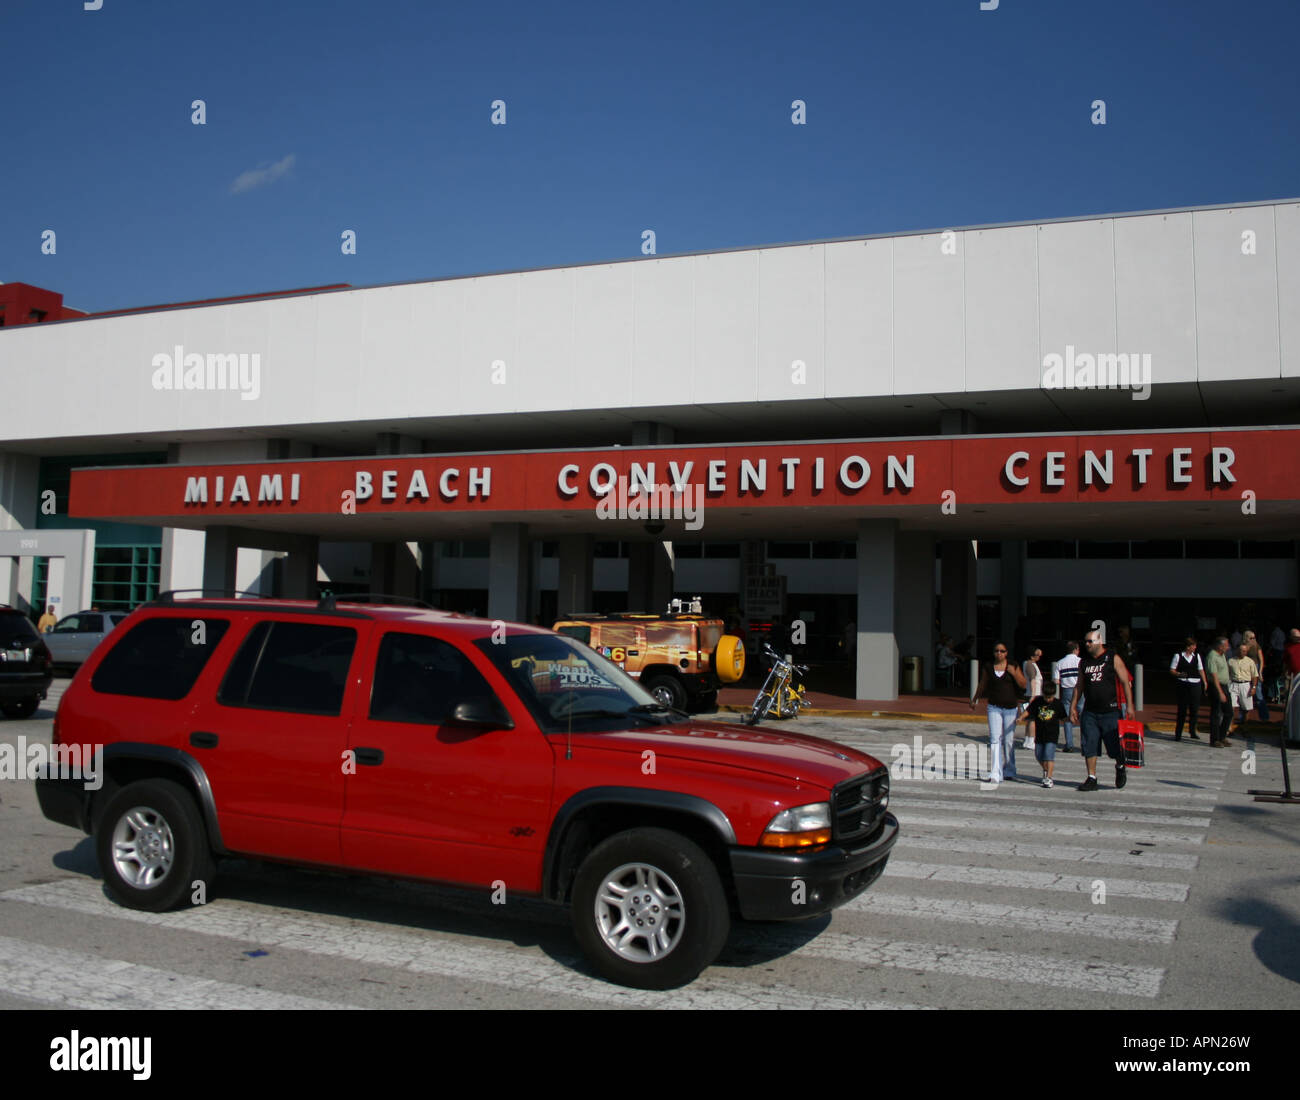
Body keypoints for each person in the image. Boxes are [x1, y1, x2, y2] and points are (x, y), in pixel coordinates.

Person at [1069, 627, 1132, 791]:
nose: (1087, 644)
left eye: (1090, 641)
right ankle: (1091, 777)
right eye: (1086, 642)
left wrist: (1130, 706)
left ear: (1099, 641)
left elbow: (1125, 681)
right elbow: (1079, 685)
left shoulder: (1112, 657)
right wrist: (1073, 707)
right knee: (1089, 745)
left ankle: (1120, 766)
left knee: (1114, 747)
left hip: (1110, 711)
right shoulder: (1084, 662)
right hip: (1090, 711)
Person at [969, 642, 1026, 784]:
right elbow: (982, 683)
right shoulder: (988, 667)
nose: (999, 653)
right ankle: (996, 772)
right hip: (994, 707)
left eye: (1002, 651)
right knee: (995, 739)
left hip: (1011, 708)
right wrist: (974, 699)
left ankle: (1010, 769)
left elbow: (1023, 684)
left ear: (1006, 653)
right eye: (996, 651)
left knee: (1008, 740)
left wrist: (1013, 673)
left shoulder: (1013, 665)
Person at [1019, 680, 1065, 788]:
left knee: (1049, 756)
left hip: (1052, 735)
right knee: (1039, 755)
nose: (1048, 699)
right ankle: (1045, 769)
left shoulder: (1058, 704)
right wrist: (1021, 717)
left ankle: (1049, 778)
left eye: (1050, 697)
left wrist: (1070, 719)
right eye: (1046, 697)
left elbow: (1064, 717)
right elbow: (1029, 711)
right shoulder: (1038, 701)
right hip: (1040, 734)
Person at [1169, 636, 1207, 741]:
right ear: (1188, 647)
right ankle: (1178, 733)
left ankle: (1192, 731)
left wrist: (1204, 681)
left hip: (1195, 684)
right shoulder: (1178, 656)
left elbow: (1201, 670)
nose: (1195, 647)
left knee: (1194, 709)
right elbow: (1172, 670)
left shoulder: (1197, 656)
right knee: (1182, 710)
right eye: (1193, 646)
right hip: (1183, 684)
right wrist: (1179, 674)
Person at [1206, 636, 1234, 748]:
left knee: (1229, 712)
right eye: (1226, 645)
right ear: (1220, 646)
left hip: (1225, 685)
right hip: (1216, 686)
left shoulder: (1222, 655)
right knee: (1216, 713)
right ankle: (1214, 739)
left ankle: (1222, 736)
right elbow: (1214, 676)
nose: (1228, 647)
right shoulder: (1212, 656)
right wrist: (1220, 692)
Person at [1054, 641, 1081, 752]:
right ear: (1075, 650)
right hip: (1079, 690)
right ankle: (1085, 744)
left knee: (1067, 718)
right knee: (1084, 716)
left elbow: (1056, 681)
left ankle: (1069, 744)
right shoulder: (1081, 661)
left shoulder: (1060, 663)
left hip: (1066, 690)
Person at [1228, 642, 1259, 735]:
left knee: (1246, 708)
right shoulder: (1230, 661)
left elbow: (1255, 676)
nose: (1243, 652)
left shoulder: (1250, 661)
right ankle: (1230, 728)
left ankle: (1245, 728)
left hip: (1245, 685)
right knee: (1232, 707)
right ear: (1238, 650)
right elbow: (1227, 674)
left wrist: (1253, 687)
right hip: (1233, 684)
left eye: (1245, 651)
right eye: (1242, 650)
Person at [1243, 630, 1269, 721]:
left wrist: (1260, 672)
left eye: (1254, 637)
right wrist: (1248, 646)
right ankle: (1244, 717)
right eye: (1251, 638)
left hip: (1255, 667)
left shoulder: (1257, 646)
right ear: (1246, 638)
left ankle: (1264, 717)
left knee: (1258, 693)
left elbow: (1261, 660)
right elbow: (1241, 656)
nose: (1253, 639)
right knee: (1245, 693)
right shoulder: (1244, 646)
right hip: (1246, 668)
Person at [1022, 647, 1043, 746]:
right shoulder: (1030, 665)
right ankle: (1031, 740)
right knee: (1033, 719)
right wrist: (1033, 695)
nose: (1039, 657)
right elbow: (1033, 680)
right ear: (1031, 656)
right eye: (1037, 655)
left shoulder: (1028, 664)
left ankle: (1027, 740)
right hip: (1033, 694)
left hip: (1030, 694)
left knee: (1029, 718)